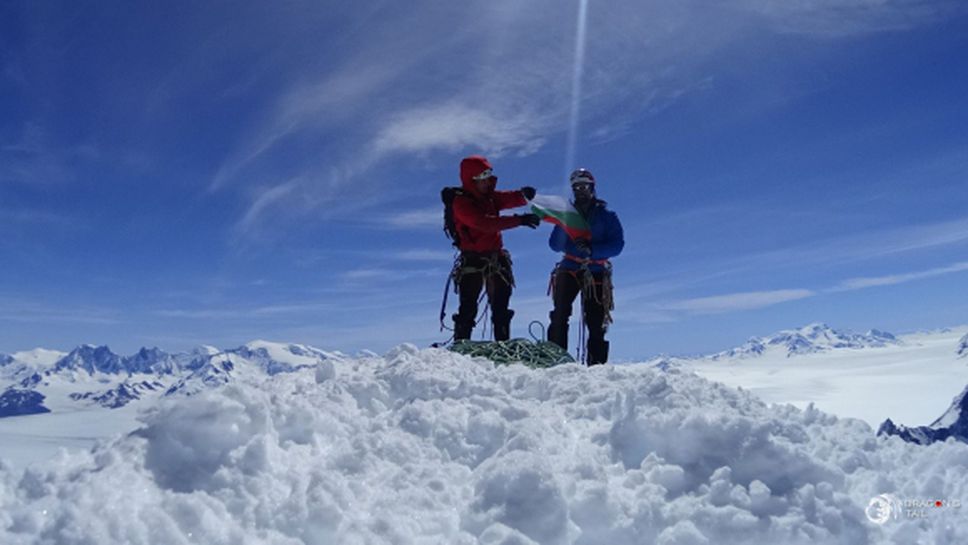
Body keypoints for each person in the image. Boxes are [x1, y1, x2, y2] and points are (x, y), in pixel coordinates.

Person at [451, 155, 540, 341]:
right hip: (473, 259)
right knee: (467, 308)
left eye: (488, 175)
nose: (486, 181)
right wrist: (520, 220)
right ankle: (460, 350)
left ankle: (503, 346)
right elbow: (483, 223)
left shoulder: (489, 197)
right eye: (481, 177)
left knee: (501, 307)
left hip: (495, 257)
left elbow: (506, 198)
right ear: (471, 179)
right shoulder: (461, 203)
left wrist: (522, 196)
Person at [547, 168, 624, 365]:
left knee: (595, 321)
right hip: (572, 269)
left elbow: (617, 246)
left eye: (584, 186)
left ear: (592, 187)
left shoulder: (607, 216)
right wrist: (562, 222)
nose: (580, 191)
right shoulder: (569, 215)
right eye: (576, 187)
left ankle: (596, 366)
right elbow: (555, 244)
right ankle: (556, 361)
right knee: (560, 314)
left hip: (593, 270)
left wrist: (591, 250)